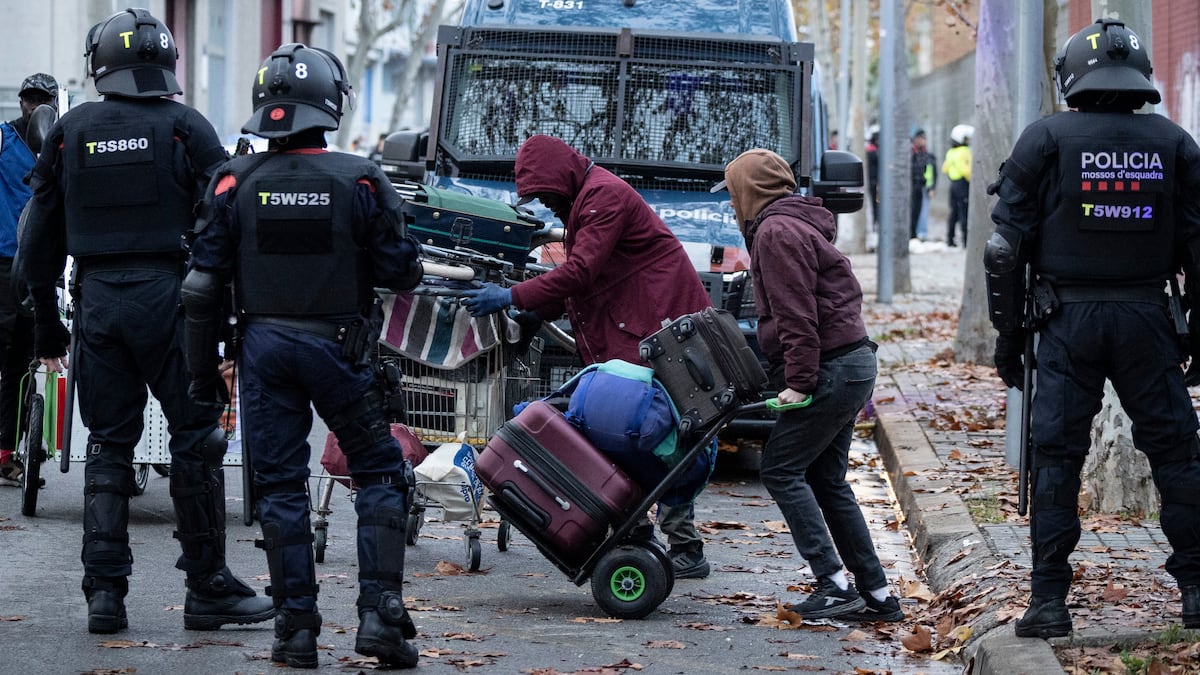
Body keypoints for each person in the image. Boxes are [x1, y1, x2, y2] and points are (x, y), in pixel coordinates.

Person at [15, 8, 273, 635]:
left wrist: (49, 330)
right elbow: (227, 223)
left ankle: (105, 595)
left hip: (99, 297)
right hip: (171, 298)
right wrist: (233, 323)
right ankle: (207, 585)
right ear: (166, 61)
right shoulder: (185, 126)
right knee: (194, 438)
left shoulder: (69, 131)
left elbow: (35, 248)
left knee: (108, 444)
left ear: (100, 63)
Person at [183, 43, 425, 669]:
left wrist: (200, 374)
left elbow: (201, 285)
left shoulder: (234, 180)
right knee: (377, 471)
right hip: (339, 347)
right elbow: (402, 274)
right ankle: (380, 617)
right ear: (328, 105)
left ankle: (295, 630)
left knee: (281, 487)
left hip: (264, 348)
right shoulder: (364, 178)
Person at [984, 18, 1200, 639]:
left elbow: (1004, 250)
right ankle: (1195, 590)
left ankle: (1049, 602)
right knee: (1177, 453)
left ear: (1072, 77)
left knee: (1055, 458)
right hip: (1147, 318)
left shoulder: (1045, 138)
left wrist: (1009, 333)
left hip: (1065, 321)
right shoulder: (1175, 143)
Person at [462, 134, 715, 579]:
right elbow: (590, 280)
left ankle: (680, 544)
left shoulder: (603, 197)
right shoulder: (588, 198)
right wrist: (535, 312)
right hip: (641, 328)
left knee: (656, 434)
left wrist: (512, 296)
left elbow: (581, 273)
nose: (544, 202)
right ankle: (646, 535)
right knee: (635, 435)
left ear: (561, 178)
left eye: (544, 193)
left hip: (656, 330)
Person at [715, 148, 903, 622]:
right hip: (851, 364)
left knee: (780, 470)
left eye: (733, 194)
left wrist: (799, 382)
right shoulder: (793, 224)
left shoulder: (776, 233)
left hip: (831, 369)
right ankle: (878, 595)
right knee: (826, 479)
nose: (732, 205)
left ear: (749, 192)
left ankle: (833, 583)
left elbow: (797, 314)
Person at [0, 73, 57, 486]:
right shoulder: (3, 140)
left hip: (38, 264)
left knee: (23, 361)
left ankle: (9, 450)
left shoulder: (58, 146)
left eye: (41, 99)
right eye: (27, 98)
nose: (32, 105)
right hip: (3, 262)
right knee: (7, 357)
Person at [942, 124, 973, 247]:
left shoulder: (951, 152)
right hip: (963, 185)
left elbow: (945, 168)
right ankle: (966, 241)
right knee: (964, 212)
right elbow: (966, 171)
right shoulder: (965, 152)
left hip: (953, 185)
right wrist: (972, 179)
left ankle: (950, 239)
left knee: (953, 213)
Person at [910, 128, 936, 241]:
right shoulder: (911, 153)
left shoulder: (928, 155)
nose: (923, 141)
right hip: (912, 187)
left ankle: (919, 233)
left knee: (921, 211)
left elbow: (932, 173)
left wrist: (931, 187)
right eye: (921, 138)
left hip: (922, 187)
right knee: (912, 211)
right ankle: (912, 234)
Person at [864, 127, 880, 233]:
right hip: (874, 181)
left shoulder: (871, 151)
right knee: (876, 203)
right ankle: (875, 222)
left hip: (874, 181)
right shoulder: (872, 152)